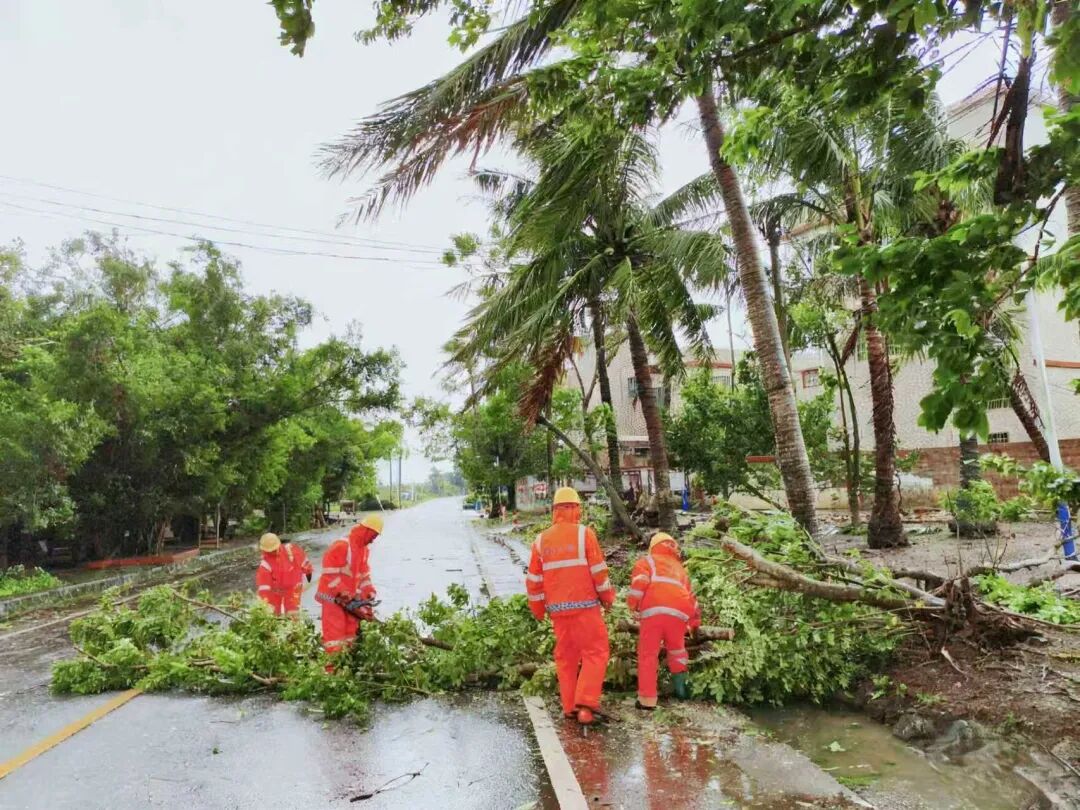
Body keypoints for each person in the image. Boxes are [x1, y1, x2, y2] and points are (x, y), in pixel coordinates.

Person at [525, 486, 615, 725]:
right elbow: (599, 573)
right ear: (576, 509)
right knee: (596, 652)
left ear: (554, 511)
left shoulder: (541, 540)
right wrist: (608, 599)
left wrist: (538, 609)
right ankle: (585, 706)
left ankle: (569, 706)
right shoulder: (584, 534)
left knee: (566, 657)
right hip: (586, 608)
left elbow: (533, 581)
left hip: (558, 612)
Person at [626, 532, 701, 709]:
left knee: (648, 655)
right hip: (679, 614)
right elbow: (692, 599)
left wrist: (632, 605)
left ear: (653, 547)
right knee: (677, 651)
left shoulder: (647, 562)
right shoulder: (680, 569)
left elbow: (639, 584)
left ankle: (647, 700)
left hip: (654, 612)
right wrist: (694, 624)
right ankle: (682, 692)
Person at [315, 514, 383, 656]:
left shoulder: (363, 550)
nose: (372, 540)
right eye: (373, 536)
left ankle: (347, 665)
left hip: (348, 600)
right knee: (335, 637)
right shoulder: (342, 546)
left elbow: (363, 575)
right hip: (332, 598)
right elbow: (329, 573)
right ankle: (332, 671)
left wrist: (369, 592)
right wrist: (343, 592)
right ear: (366, 531)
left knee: (350, 634)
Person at [255, 532, 291, 615]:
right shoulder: (265, 568)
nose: (275, 551)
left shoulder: (283, 554)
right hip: (273, 600)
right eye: (272, 550)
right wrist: (270, 608)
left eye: (276, 549)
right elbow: (264, 591)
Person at [280, 536, 313, 614]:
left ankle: (287, 619)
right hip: (296, 583)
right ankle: (294, 622)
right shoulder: (297, 550)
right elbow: (306, 565)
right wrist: (308, 576)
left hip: (282, 583)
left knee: (285, 603)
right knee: (294, 604)